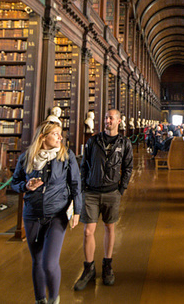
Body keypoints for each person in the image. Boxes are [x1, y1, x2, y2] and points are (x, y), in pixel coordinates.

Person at [11, 120, 82, 304]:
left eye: (60, 133)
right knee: (37, 260)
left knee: (49, 263)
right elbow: (15, 182)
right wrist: (26, 185)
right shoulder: (27, 157)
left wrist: (77, 211)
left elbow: (75, 184)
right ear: (43, 137)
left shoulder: (66, 156)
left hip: (57, 214)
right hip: (32, 214)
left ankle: (54, 299)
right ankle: (40, 300)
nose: (60, 137)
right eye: (55, 134)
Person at [74, 109, 133, 291]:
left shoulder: (125, 143)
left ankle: (107, 265)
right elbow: (84, 165)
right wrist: (84, 186)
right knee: (87, 231)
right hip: (91, 191)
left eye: (111, 118)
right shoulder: (93, 140)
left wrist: (120, 189)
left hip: (111, 192)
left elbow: (128, 167)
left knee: (109, 227)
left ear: (119, 121)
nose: (107, 120)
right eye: (106, 117)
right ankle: (88, 268)